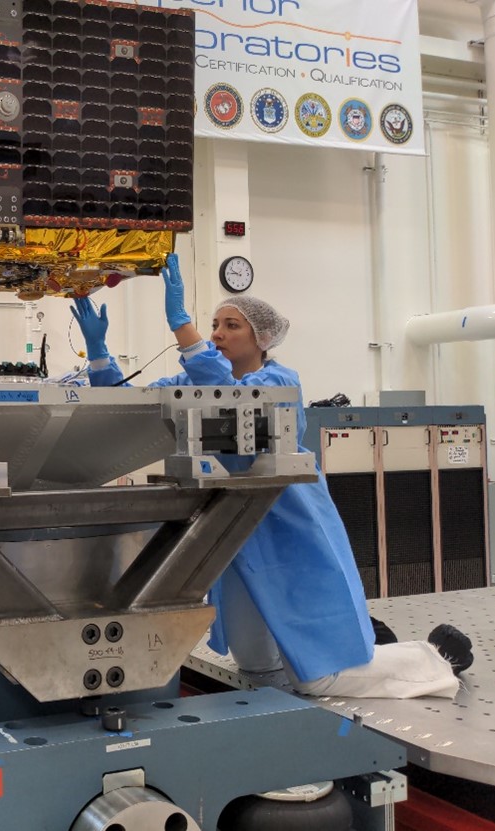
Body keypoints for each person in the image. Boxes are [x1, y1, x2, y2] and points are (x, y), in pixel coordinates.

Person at [70, 254, 473, 699]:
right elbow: (129, 405)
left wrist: (182, 326)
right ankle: (356, 652)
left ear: (262, 338)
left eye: (231, 326)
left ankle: (435, 655)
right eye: (214, 324)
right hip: (234, 530)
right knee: (257, 667)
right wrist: (99, 351)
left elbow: (237, 397)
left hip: (285, 525)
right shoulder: (192, 380)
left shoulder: (281, 379)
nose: (218, 334)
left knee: (319, 677)